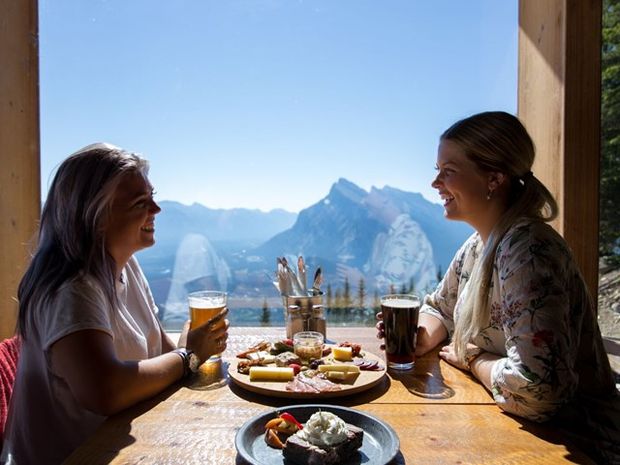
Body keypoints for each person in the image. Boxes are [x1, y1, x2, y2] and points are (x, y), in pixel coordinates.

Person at [377, 111, 619, 463]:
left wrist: (472, 357)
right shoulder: (480, 245)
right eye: (437, 171)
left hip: (581, 443)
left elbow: (539, 391)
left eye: (449, 171)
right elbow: (439, 308)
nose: (435, 184)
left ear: (494, 178)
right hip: (523, 434)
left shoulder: (528, 252)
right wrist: (422, 336)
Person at [1, 143, 229, 465]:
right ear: (95, 218)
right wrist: (189, 355)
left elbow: (162, 356)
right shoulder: (73, 287)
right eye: (140, 202)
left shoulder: (126, 267)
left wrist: (187, 347)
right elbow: (104, 391)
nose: (156, 209)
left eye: (152, 195)